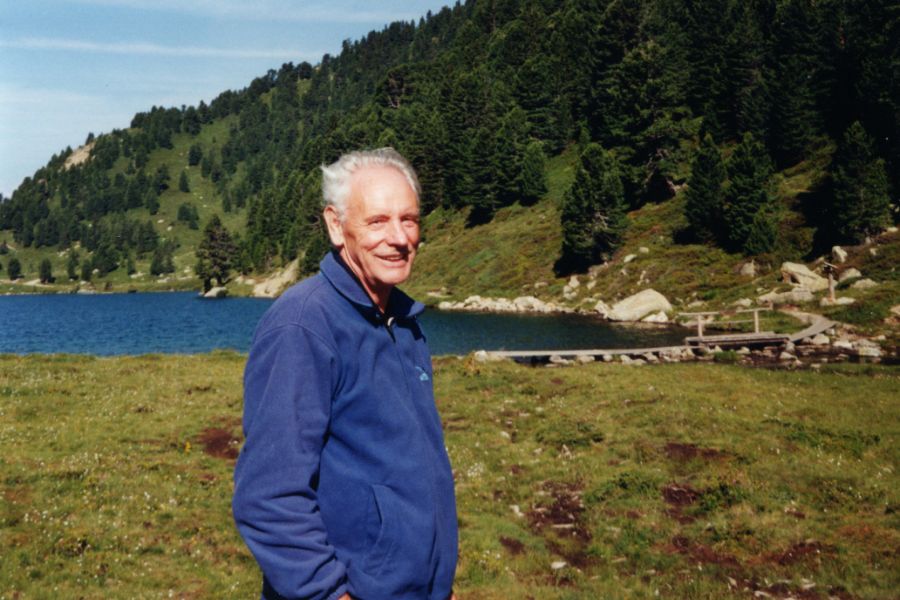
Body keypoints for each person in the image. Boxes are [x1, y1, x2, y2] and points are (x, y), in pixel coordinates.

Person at [233, 148, 458, 600]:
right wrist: (328, 593)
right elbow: (268, 496)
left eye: (409, 219)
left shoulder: (404, 322)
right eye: (377, 221)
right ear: (336, 226)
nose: (398, 237)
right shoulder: (303, 326)